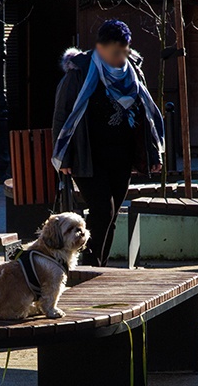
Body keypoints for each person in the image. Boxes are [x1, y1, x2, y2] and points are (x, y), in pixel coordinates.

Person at [51, 20, 164, 266]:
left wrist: (153, 154)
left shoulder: (133, 72)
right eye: (114, 51)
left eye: (123, 50)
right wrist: (64, 157)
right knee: (103, 210)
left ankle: (98, 266)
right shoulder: (79, 72)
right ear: (100, 48)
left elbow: (146, 117)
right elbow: (62, 116)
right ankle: (90, 266)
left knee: (111, 216)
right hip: (87, 155)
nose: (119, 57)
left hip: (121, 155)